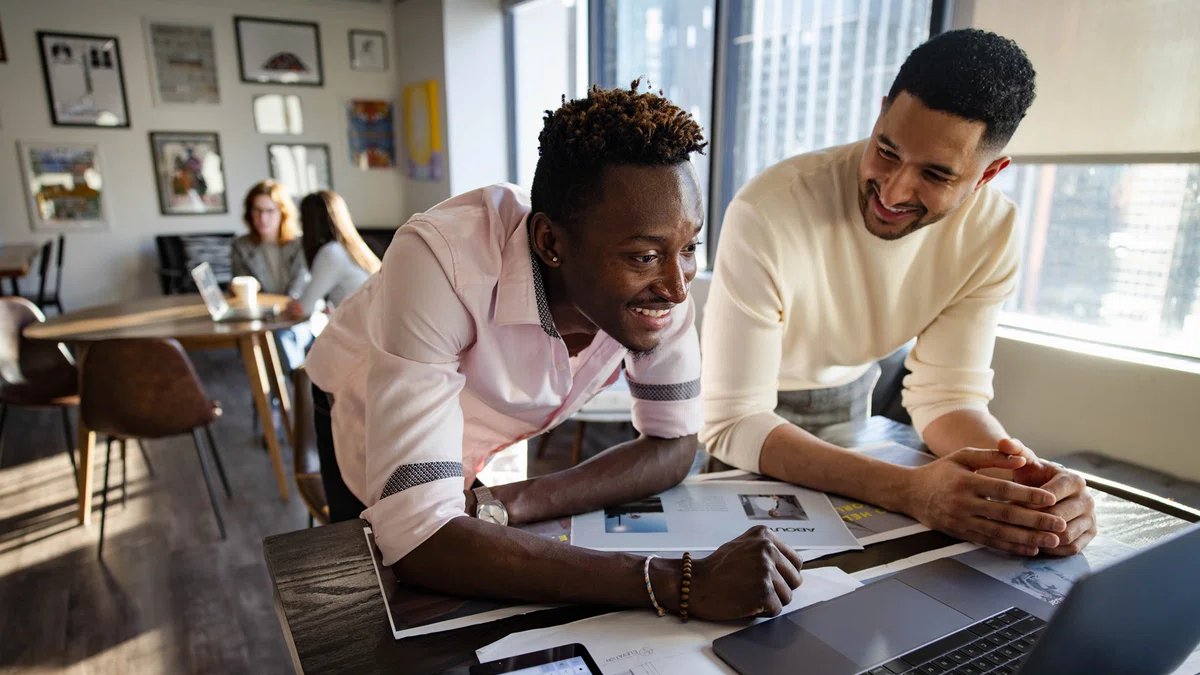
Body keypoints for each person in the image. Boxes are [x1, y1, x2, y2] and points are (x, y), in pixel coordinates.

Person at [305, 83, 804, 621]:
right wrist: (679, 582)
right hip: (361, 401)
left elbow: (675, 442)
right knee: (370, 609)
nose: (678, 290)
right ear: (549, 244)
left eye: (688, 248)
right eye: (643, 256)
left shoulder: (659, 287)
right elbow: (418, 536)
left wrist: (506, 501)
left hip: (492, 430)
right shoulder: (440, 261)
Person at [701, 29, 1097, 558]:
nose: (892, 191)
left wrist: (1021, 484)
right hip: (749, 432)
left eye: (935, 174)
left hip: (848, 406)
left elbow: (946, 396)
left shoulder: (994, 231)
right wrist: (909, 489)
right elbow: (733, 419)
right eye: (886, 151)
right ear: (881, 113)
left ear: (988, 174)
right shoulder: (769, 211)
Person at [233, 179, 311, 368]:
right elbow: (240, 285)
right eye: (256, 210)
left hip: (298, 318)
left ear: (283, 212)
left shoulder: (300, 244)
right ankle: (290, 390)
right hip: (261, 319)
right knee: (264, 345)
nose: (262, 217)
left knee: (278, 341)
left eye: (269, 210)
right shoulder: (241, 246)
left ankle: (282, 391)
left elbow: (298, 289)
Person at [290, 190, 380, 317]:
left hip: (362, 331)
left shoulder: (331, 253)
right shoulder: (353, 248)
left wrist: (294, 306)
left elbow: (303, 309)